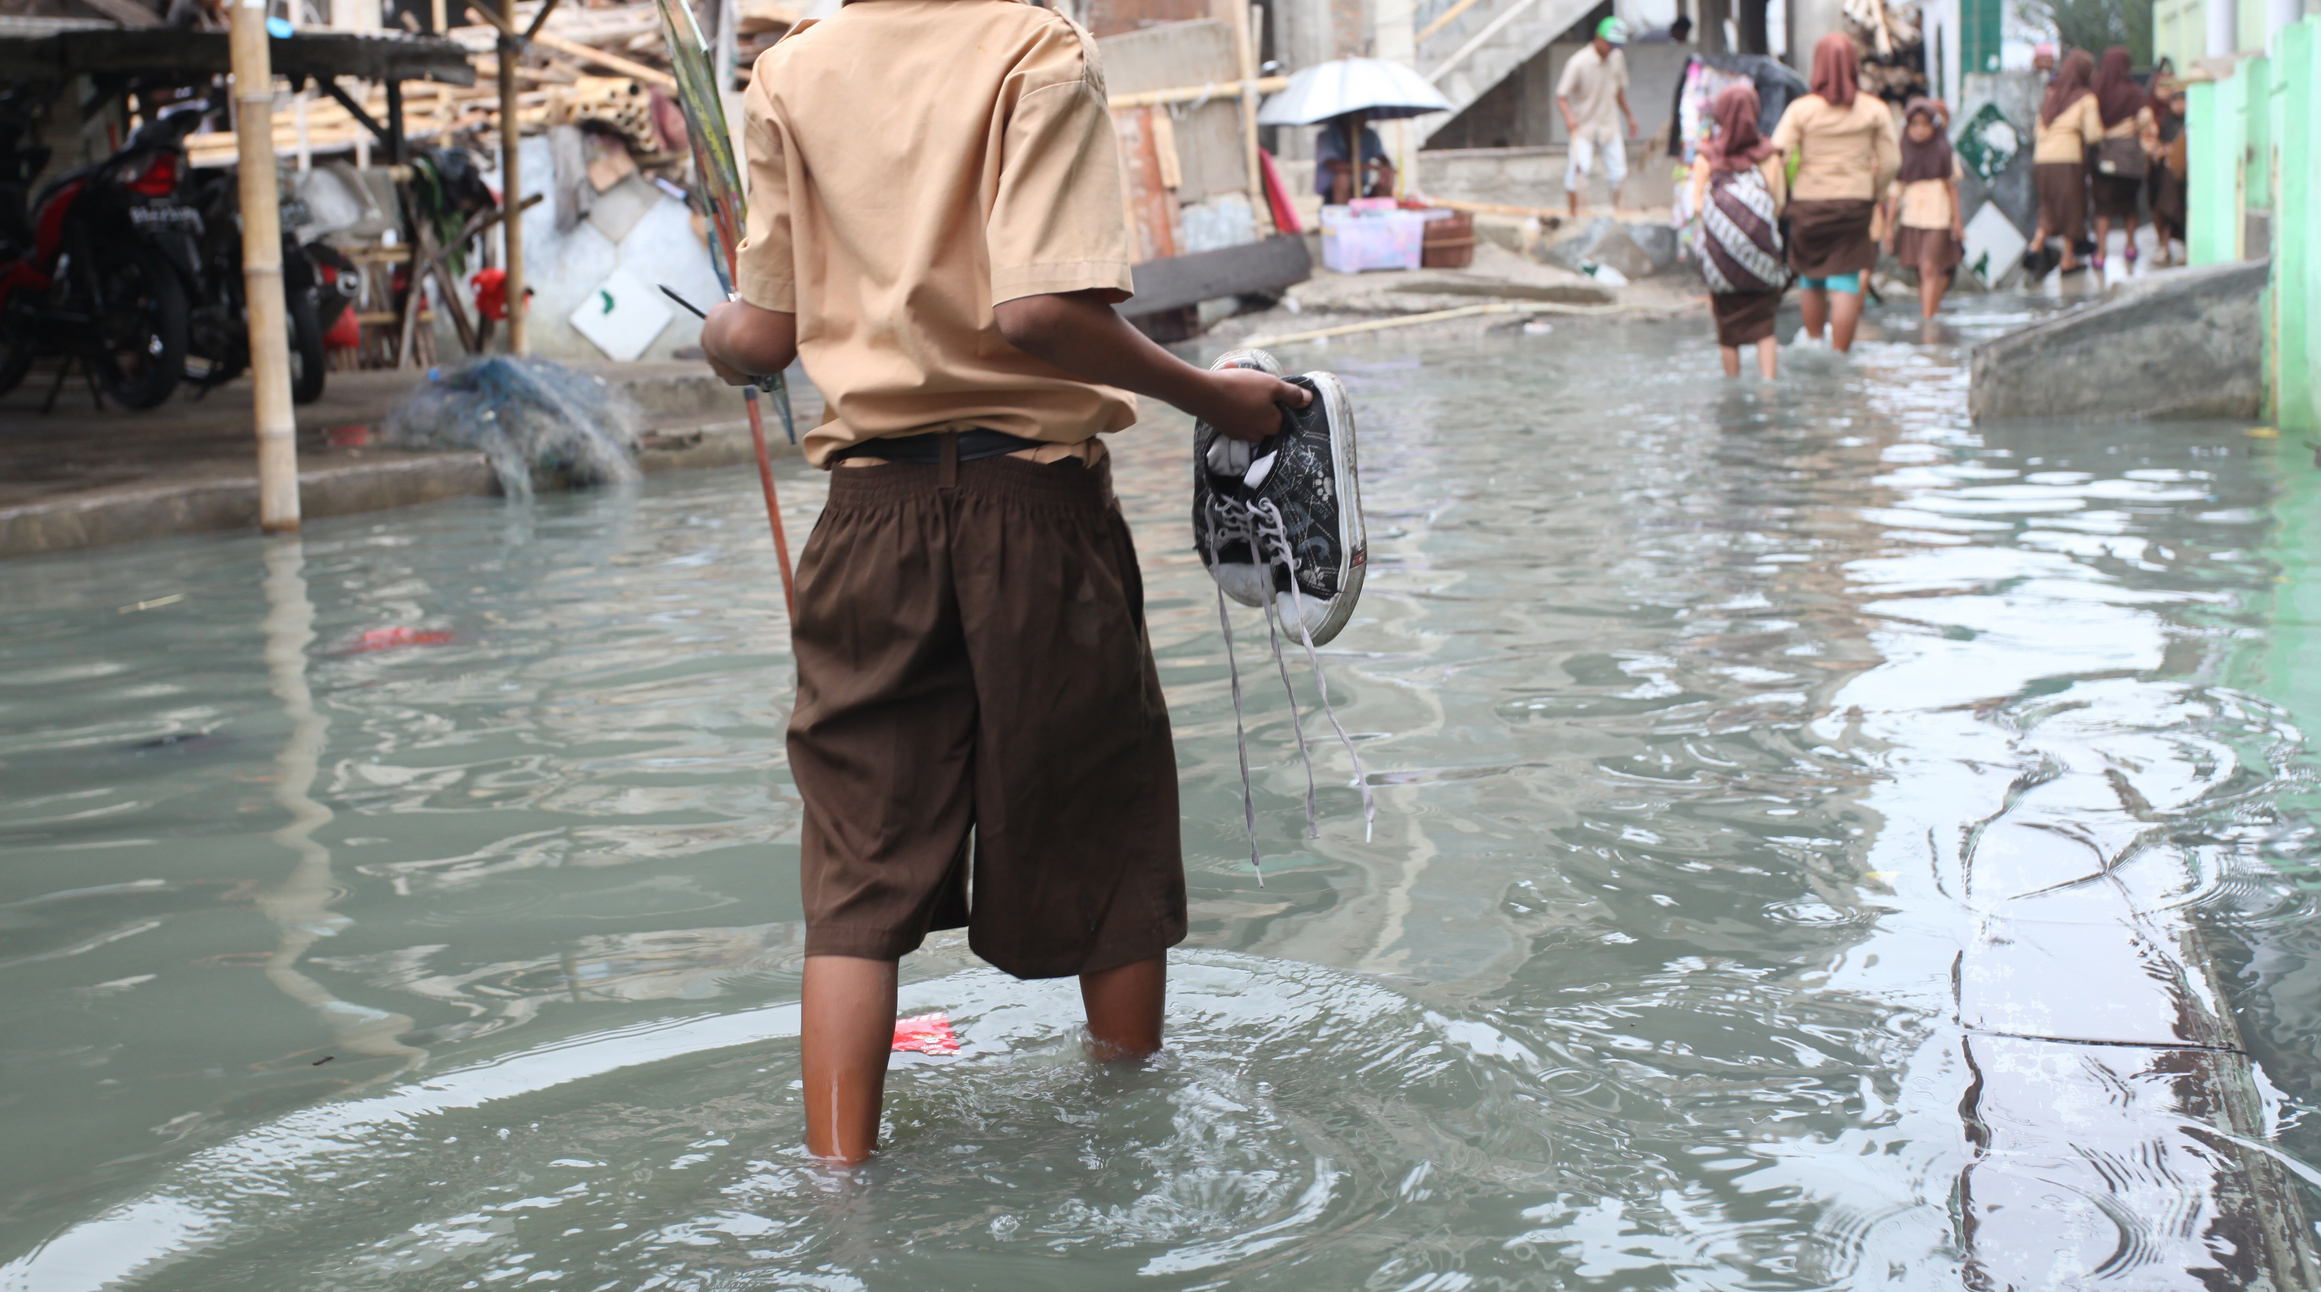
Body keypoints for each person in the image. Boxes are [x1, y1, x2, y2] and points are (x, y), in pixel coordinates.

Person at [697, 0, 1311, 1167]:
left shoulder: (785, 75)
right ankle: (1130, 1159)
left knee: (853, 874)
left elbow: (760, 335)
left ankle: (836, 1190)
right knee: (1100, 831)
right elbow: (1040, 315)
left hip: (862, 521)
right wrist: (1216, 396)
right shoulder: (1037, 48)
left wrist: (718, 343)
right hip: (1033, 512)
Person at [1769, 32, 1898, 352]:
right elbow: (1892, 162)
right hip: (1855, 205)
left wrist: (1783, 197)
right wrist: (1874, 193)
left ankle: (1814, 344)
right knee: (1846, 280)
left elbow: (1778, 153)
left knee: (1811, 278)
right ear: (1854, 65)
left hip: (1809, 205)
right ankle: (1841, 353)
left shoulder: (1802, 110)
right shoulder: (1874, 109)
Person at [1687, 82, 1787, 378]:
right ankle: (1768, 382)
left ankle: (1733, 381)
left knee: (1727, 323)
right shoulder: (1769, 156)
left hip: (1722, 260)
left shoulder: (1707, 157)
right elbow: (1778, 204)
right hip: (1762, 256)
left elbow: (1697, 206)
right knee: (1764, 323)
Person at [1880, 97, 1964, 323]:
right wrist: (1888, 226)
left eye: (1925, 124)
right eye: (1914, 124)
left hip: (1938, 216)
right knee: (1921, 269)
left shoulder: (1944, 150)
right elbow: (1895, 192)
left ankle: (1927, 320)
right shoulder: (1902, 152)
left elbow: (1952, 187)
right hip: (1912, 217)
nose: (1919, 130)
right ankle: (1931, 311)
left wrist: (1957, 221)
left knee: (1930, 266)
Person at [2028, 47, 2101, 276]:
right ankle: (2067, 259)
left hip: (2042, 161)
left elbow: (2037, 131)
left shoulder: (2051, 96)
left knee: (2048, 206)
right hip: (2067, 160)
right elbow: (2093, 134)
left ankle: (2036, 245)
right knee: (2073, 208)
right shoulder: (2085, 98)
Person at [1557, 17, 1641, 217]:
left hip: (1608, 123)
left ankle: (1618, 214)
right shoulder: (1578, 62)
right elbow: (1561, 96)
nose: (1612, 48)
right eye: (1610, 43)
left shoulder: (1616, 58)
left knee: (1619, 174)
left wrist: (1629, 116)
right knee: (1578, 171)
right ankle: (1574, 217)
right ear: (1598, 38)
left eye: (1615, 45)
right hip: (1584, 125)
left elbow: (1619, 91)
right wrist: (1568, 117)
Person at [2087, 44, 2157, 274]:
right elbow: (2146, 120)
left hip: (2104, 156)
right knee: (2130, 204)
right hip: (2130, 157)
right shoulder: (2135, 92)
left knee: (2103, 207)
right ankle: (2130, 246)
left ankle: (2101, 252)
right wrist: (2133, 127)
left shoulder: (2095, 93)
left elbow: (2090, 125)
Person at [1314, 111, 1395, 204]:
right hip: (1333, 191)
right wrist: (1370, 167)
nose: (1364, 120)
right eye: (1358, 117)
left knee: (1387, 179)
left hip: (1362, 187)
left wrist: (1386, 171)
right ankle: (1343, 215)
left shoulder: (1369, 135)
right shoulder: (1327, 136)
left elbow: (1384, 159)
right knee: (1343, 178)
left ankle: (1382, 213)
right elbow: (1334, 165)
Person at [2149, 78, 2188, 266]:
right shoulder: (2166, 122)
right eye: (2175, 101)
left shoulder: (2190, 122)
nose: (2179, 105)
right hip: (2165, 176)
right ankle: (2163, 244)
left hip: (2184, 178)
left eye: (2182, 100)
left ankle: (2180, 245)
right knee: (2163, 205)